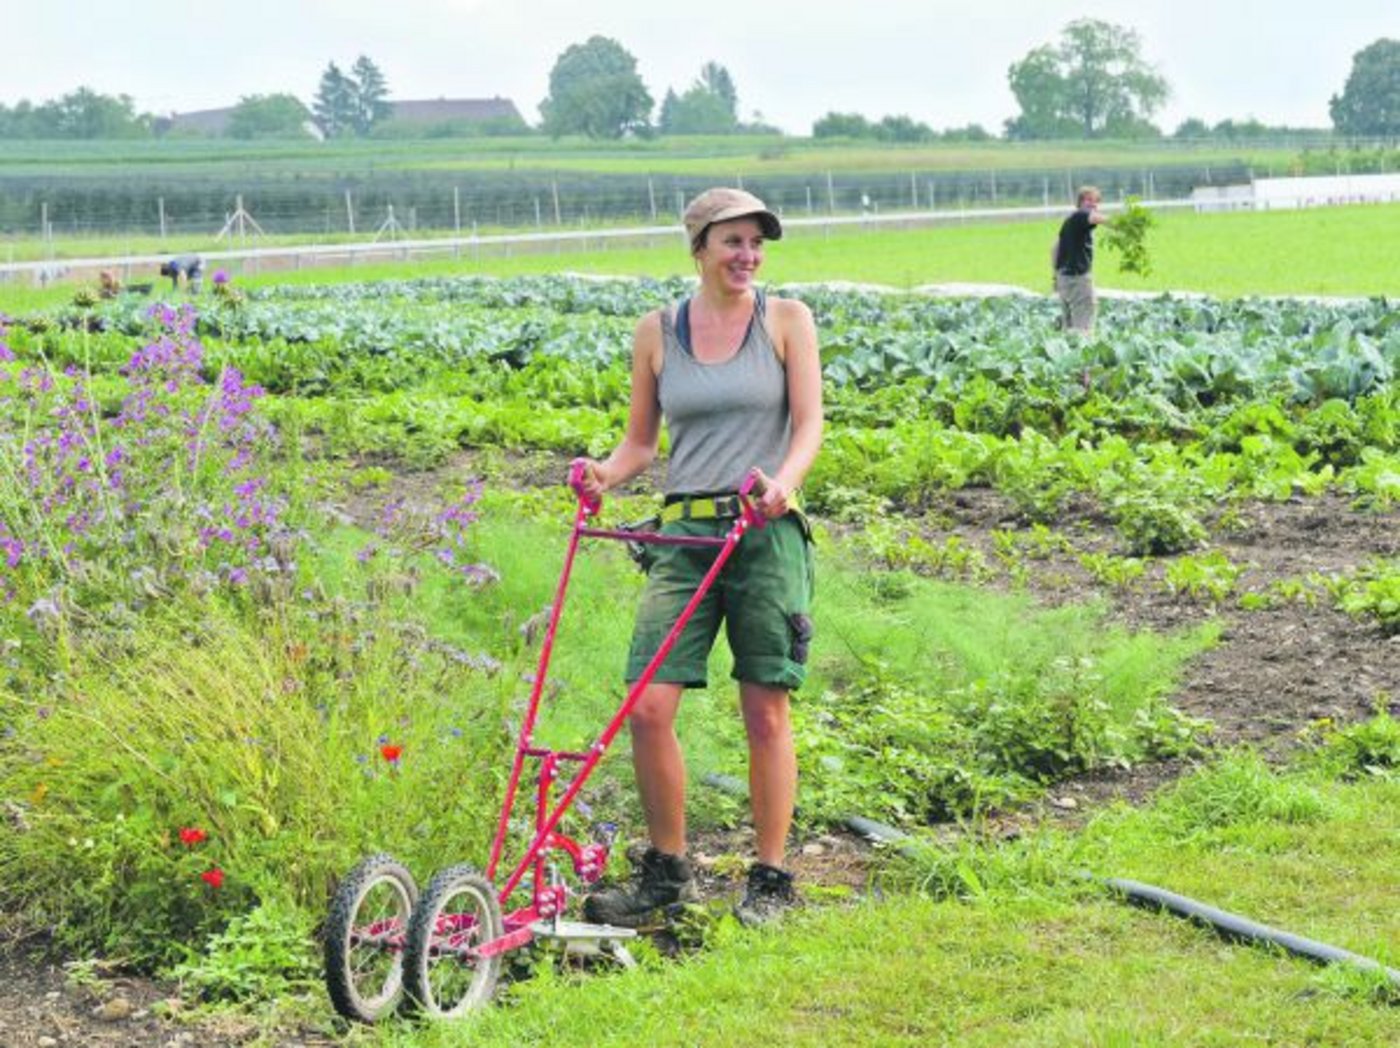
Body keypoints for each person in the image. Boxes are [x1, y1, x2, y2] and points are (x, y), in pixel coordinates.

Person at [574, 187, 823, 928]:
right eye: (733, 242)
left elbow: (810, 423)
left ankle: (771, 880)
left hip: (764, 532)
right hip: (683, 537)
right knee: (648, 707)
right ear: (700, 248)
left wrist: (784, 483)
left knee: (765, 710)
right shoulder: (658, 331)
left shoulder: (786, 321)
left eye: (756, 243)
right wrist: (605, 474)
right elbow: (641, 443)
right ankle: (667, 874)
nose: (748, 256)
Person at [1053, 186, 1110, 334]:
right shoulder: (1080, 216)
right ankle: (1081, 354)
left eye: (1096, 201)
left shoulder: (1070, 221)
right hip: (1078, 280)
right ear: (1080, 202)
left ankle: (1066, 354)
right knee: (1083, 327)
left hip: (1064, 279)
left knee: (1069, 326)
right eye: (1089, 200)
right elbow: (1094, 217)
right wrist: (1123, 224)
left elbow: (1054, 249)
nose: (1093, 204)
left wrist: (1056, 277)